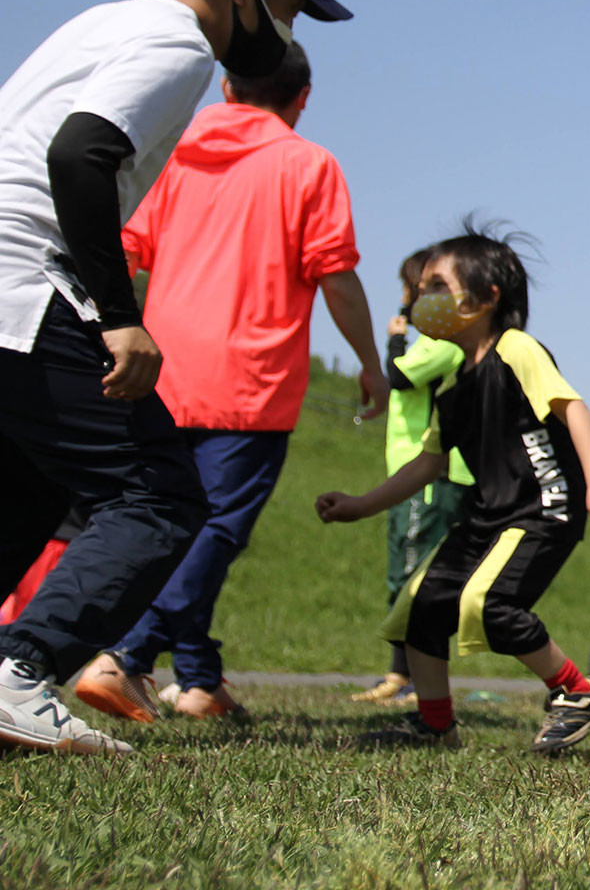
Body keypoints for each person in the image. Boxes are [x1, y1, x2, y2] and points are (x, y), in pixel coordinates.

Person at [0, 0, 351, 754]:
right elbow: (81, 153)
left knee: (33, 479)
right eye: (290, 8)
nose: (290, 27)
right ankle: (19, 671)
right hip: (26, 276)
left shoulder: (106, 19)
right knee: (160, 494)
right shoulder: (178, 42)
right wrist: (119, 317)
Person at [73, 39, 386, 724]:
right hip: (251, 382)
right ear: (303, 96)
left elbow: (125, 249)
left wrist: (101, 336)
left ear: (224, 85)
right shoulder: (308, 165)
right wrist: (369, 361)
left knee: (171, 518)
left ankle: (199, 681)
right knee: (211, 531)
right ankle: (125, 656)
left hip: (159, 368)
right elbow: (335, 274)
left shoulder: (176, 152)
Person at [315, 225, 590, 754]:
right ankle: (436, 727)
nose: (420, 300)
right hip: (488, 517)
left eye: (437, 286)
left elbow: (573, 408)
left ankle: (576, 690)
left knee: (488, 602)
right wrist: (360, 506)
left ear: (485, 298)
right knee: (419, 607)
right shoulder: (454, 385)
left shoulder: (516, 348)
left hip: (543, 509)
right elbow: (426, 466)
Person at [352, 249, 475, 706]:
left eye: (425, 289)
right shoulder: (430, 340)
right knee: (402, 577)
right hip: (407, 475)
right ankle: (401, 674)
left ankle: (409, 678)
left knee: (414, 579)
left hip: (427, 478)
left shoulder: (443, 344)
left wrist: (392, 339)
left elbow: (399, 379)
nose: (417, 297)